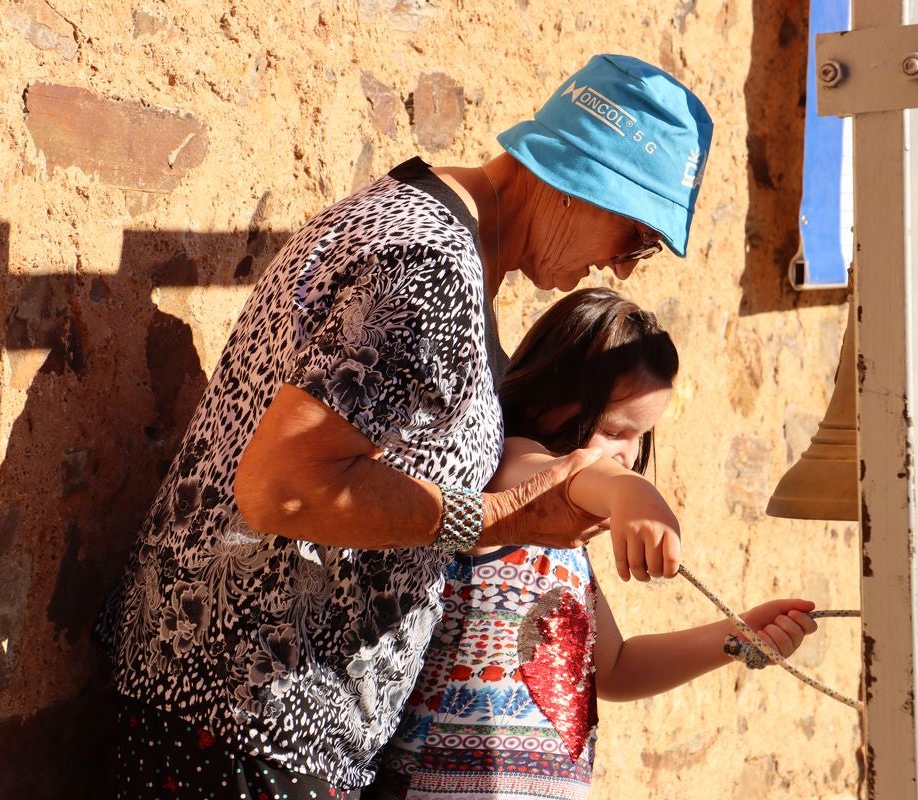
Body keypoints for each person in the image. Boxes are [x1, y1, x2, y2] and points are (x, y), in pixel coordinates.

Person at [101, 54, 713, 799]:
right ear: (581, 179)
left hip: (240, 706)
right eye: (635, 237)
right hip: (248, 714)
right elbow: (281, 488)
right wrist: (495, 516)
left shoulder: (424, 227)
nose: (623, 268)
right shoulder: (432, 264)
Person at [367, 288, 818, 800]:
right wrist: (629, 490)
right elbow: (560, 477)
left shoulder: (565, 546)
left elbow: (617, 668)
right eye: (613, 430)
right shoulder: (508, 474)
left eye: (640, 437)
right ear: (546, 400)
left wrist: (734, 637)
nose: (627, 455)